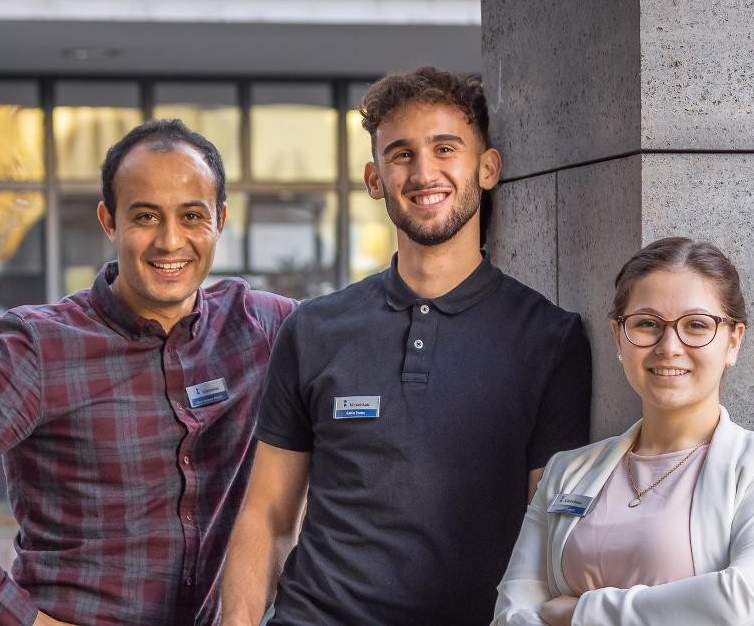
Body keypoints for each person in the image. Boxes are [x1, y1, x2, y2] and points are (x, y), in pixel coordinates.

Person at [0, 119, 296, 626]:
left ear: (220, 221)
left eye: (191, 216)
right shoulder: (39, 345)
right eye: (145, 216)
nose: (170, 240)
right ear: (109, 221)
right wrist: (18, 620)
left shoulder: (262, 326)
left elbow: (365, 334)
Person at [216, 66, 594, 625]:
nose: (424, 172)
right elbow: (268, 515)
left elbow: (549, 533)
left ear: (487, 168)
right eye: (401, 154)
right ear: (374, 179)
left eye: (446, 148)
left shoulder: (550, 339)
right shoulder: (314, 329)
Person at [492, 237, 754, 626]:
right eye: (647, 324)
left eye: (696, 325)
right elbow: (512, 613)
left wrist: (582, 612)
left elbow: (740, 601)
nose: (669, 346)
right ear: (618, 337)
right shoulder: (566, 471)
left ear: (733, 341)